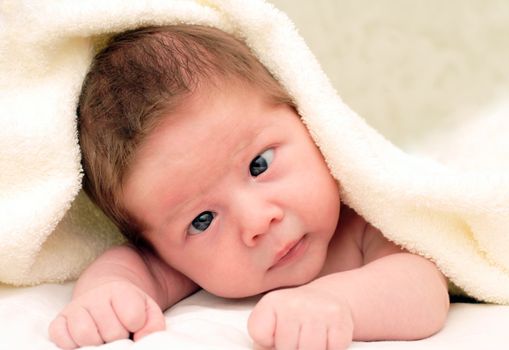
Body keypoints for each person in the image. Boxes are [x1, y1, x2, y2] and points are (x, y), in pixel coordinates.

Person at [48, 24, 449, 350]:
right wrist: (107, 295)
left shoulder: (362, 225)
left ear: (306, 119)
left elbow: (423, 289)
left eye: (260, 164)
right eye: (203, 220)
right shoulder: (187, 263)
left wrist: (338, 303)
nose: (257, 221)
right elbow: (133, 268)